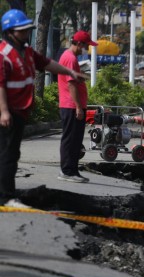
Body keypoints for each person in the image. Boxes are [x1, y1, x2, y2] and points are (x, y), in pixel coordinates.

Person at [0, 9, 88, 207]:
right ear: (9, 32)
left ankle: (7, 193)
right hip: (8, 112)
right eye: (21, 31)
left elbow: (48, 64)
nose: (25, 34)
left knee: (12, 153)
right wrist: (4, 111)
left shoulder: (27, 52)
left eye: (26, 30)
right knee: (6, 154)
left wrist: (69, 72)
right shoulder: (3, 55)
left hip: (21, 110)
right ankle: (5, 197)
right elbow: (1, 85)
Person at [57, 31, 97, 183]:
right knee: (70, 139)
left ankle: (72, 170)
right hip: (71, 106)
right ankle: (67, 170)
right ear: (79, 44)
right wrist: (78, 107)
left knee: (75, 140)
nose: (86, 49)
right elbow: (71, 84)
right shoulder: (70, 58)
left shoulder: (70, 58)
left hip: (72, 105)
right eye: (86, 45)